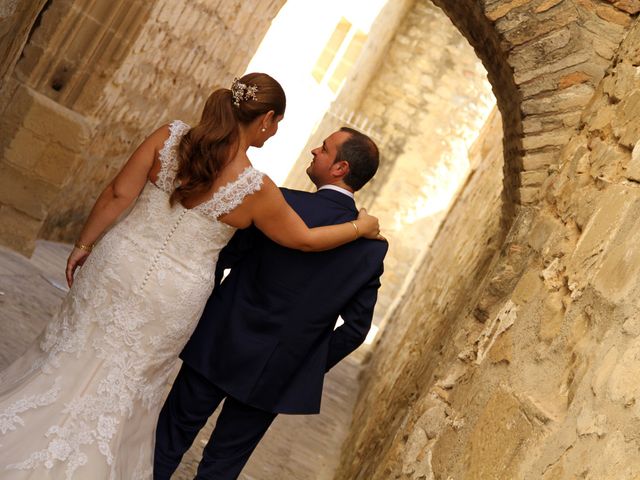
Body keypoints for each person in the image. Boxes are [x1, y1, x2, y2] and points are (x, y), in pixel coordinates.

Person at [0, 73, 382, 479]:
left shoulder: (170, 137)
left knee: (77, 357)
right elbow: (307, 246)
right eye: (277, 125)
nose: (277, 135)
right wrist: (363, 227)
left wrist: (83, 245)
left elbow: (118, 194)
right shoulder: (258, 189)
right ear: (265, 118)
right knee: (134, 390)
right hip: (180, 300)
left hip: (124, 269)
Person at [154, 126, 388, 479]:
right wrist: (304, 361)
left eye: (324, 150)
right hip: (279, 370)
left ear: (340, 168)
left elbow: (223, 259)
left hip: (221, 340)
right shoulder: (371, 248)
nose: (314, 151)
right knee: (223, 465)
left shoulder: (280, 202)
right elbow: (355, 330)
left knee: (170, 436)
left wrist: (212, 314)